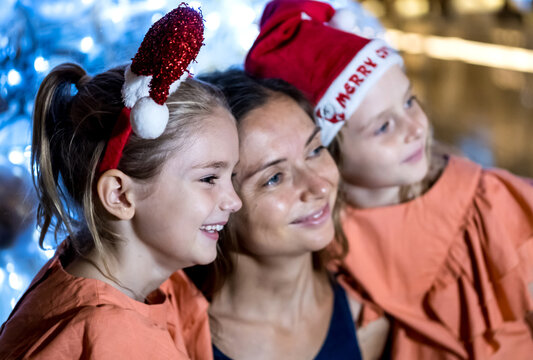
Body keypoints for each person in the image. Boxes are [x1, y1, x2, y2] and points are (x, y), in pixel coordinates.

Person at [244, 0, 533, 359]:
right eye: (383, 126)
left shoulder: (491, 206)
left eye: (410, 102)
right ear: (326, 152)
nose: (414, 127)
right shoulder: (319, 238)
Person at [0, 5, 241, 359]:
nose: (234, 201)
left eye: (231, 176)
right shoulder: (113, 338)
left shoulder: (111, 275)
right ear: (119, 195)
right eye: (209, 178)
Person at [186, 69, 389, 360]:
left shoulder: (367, 323)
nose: (319, 186)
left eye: (315, 150)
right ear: (219, 203)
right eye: (274, 178)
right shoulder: (175, 336)